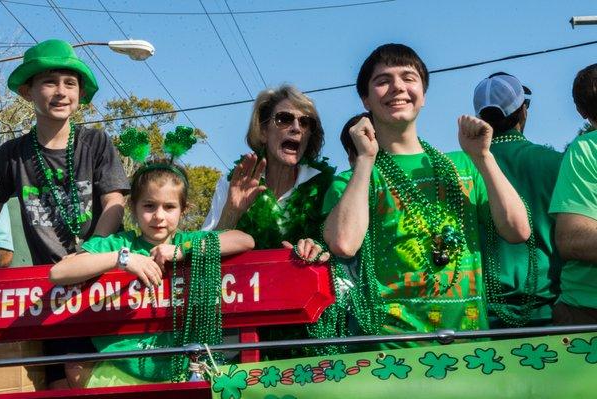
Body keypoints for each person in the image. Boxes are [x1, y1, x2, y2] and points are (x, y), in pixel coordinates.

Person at [323, 43, 530, 345]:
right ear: (365, 99)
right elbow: (343, 243)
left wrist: (483, 158)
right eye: (383, 81)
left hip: (471, 348)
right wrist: (366, 158)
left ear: (424, 94)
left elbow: (517, 230)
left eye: (409, 78)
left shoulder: (463, 165)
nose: (397, 87)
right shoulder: (354, 179)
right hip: (393, 353)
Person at [50, 161, 255, 387]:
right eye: (149, 206)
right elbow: (59, 272)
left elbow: (244, 240)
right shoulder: (120, 243)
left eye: (169, 207)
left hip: (180, 374)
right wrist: (123, 259)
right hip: (118, 374)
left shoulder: (187, 242)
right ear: (134, 209)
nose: (159, 216)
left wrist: (181, 251)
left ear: (183, 210)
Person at [0, 39, 129, 388]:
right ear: (27, 91)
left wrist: (94, 250)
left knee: (94, 375)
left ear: (80, 93)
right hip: (49, 290)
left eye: (70, 83)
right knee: (57, 381)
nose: (61, 92)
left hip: (103, 282)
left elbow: (115, 201)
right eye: (49, 82)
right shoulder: (11, 155)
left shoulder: (96, 142)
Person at [203, 84, 334, 261]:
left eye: (305, 122)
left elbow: (343, 253)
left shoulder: (327, 187)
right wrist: (231, 212)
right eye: (284, 119)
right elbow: (202, 257)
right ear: (263, 132)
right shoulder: (232, 183)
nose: (296, 127)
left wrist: (319, 249)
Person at [474, 72, 564, 327]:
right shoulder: (556, 163)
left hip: (480, 319)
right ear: (523, 111)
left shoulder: (465, 168)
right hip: (552, 313)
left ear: (481, 118)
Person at [549, 63, 597, 325]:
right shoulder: (585, 150)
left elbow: (572, 238)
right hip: (588, 313)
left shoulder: (583, 150)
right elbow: (572, 239)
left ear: (580, 111)